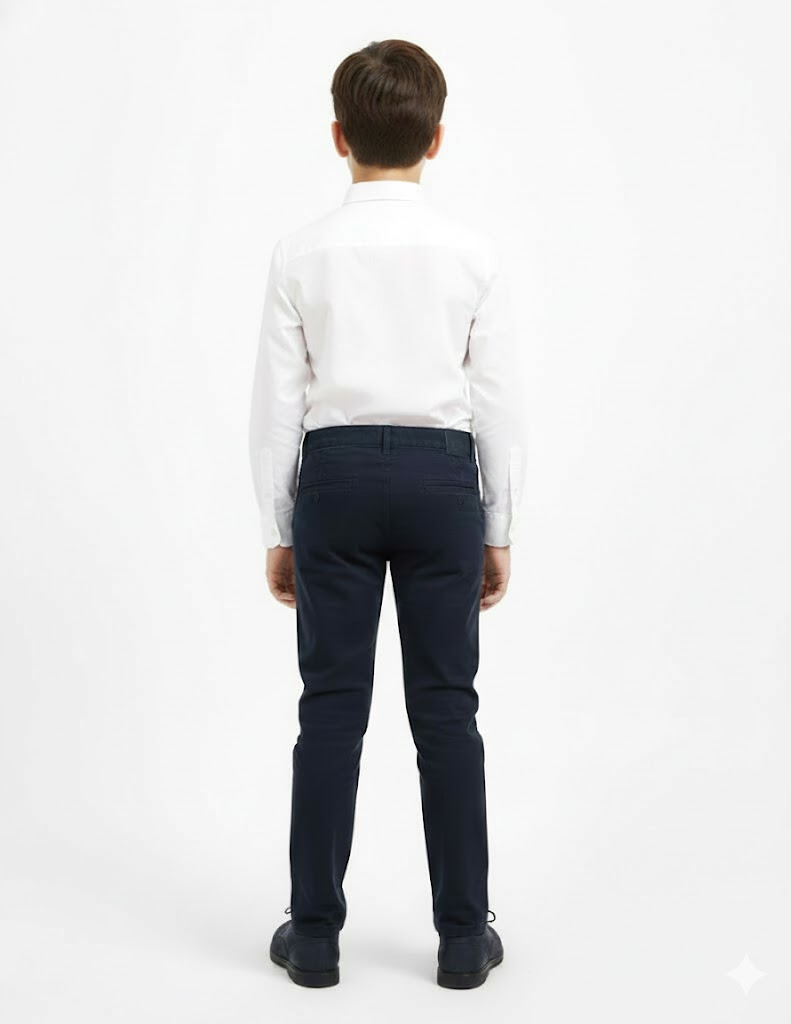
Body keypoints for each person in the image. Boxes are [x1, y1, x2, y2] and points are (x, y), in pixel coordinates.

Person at [249, 38, 526, 989]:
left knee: (331, 709)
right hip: (444, 479)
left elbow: (278, 405)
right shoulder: (473, 255)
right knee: (447, 709)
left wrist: (280, 526)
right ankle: (463, 940)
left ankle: (314, 938)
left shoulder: (300, 253)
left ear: (339, 136)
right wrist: (498, 527)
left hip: (332, 480)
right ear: (436, 140)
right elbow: (497, 403)